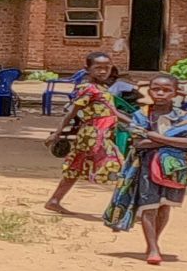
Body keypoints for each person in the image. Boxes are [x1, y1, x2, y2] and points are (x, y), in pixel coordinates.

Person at [109, 72, 187, 264]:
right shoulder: (141, 115)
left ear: (175, 93)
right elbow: (139, 143)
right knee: (149, 206)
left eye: (166, 90)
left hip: (174, 169)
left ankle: (154, 242)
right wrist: (172, 142)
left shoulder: (183, 116)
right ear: (149, 91)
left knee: (165, 206)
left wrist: (154, 137)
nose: (160, 93)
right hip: (146, 166)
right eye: (156, 89)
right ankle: (153, 247)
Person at [44, 50, 128, 215]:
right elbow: (72, 112)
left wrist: (140, 125)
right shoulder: (89, 89)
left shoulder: (102, 89)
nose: (103, 71)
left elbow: (113, 112)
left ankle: (54, 201)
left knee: (76, 167)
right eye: (98, 67)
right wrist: (57, 133)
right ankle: (122, 209)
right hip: (95, 136)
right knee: (122, 168)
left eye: (107, 67)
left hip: (95, 135)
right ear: (87, 69)